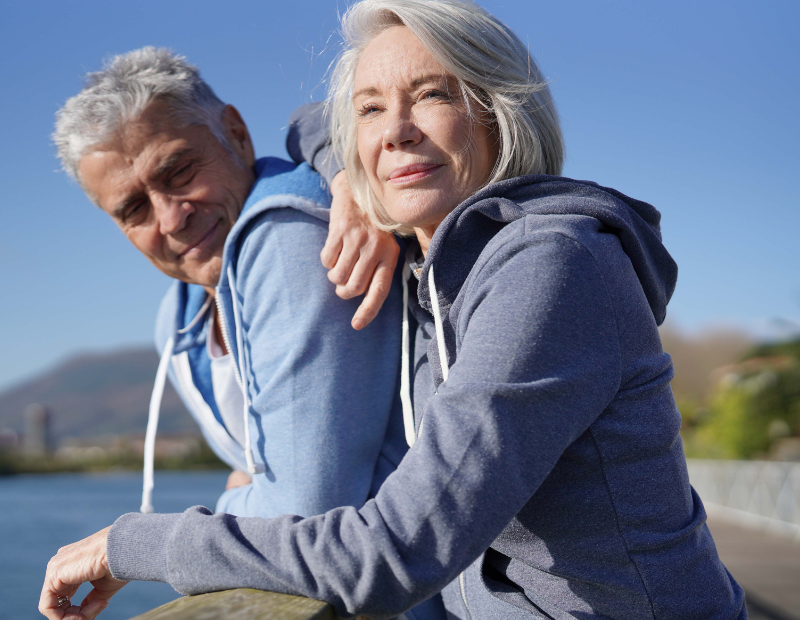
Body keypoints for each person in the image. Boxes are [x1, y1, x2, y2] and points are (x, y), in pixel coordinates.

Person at [41, 2, 748, 619]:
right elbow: (312, 120)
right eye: (372, 109)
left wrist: (134, 542)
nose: (397, 131)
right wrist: (346, 172)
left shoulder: (552, 266)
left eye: (433, 95)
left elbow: (395, 553)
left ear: (500, 110)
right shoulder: (430, 270)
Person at [49, 46, 444, 619]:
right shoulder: (177, 317)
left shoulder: (288, 240)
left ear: (234, 133)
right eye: (133, 208)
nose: (169, 217)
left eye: (178, 170)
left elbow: (303, 513)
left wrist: (233, 495)